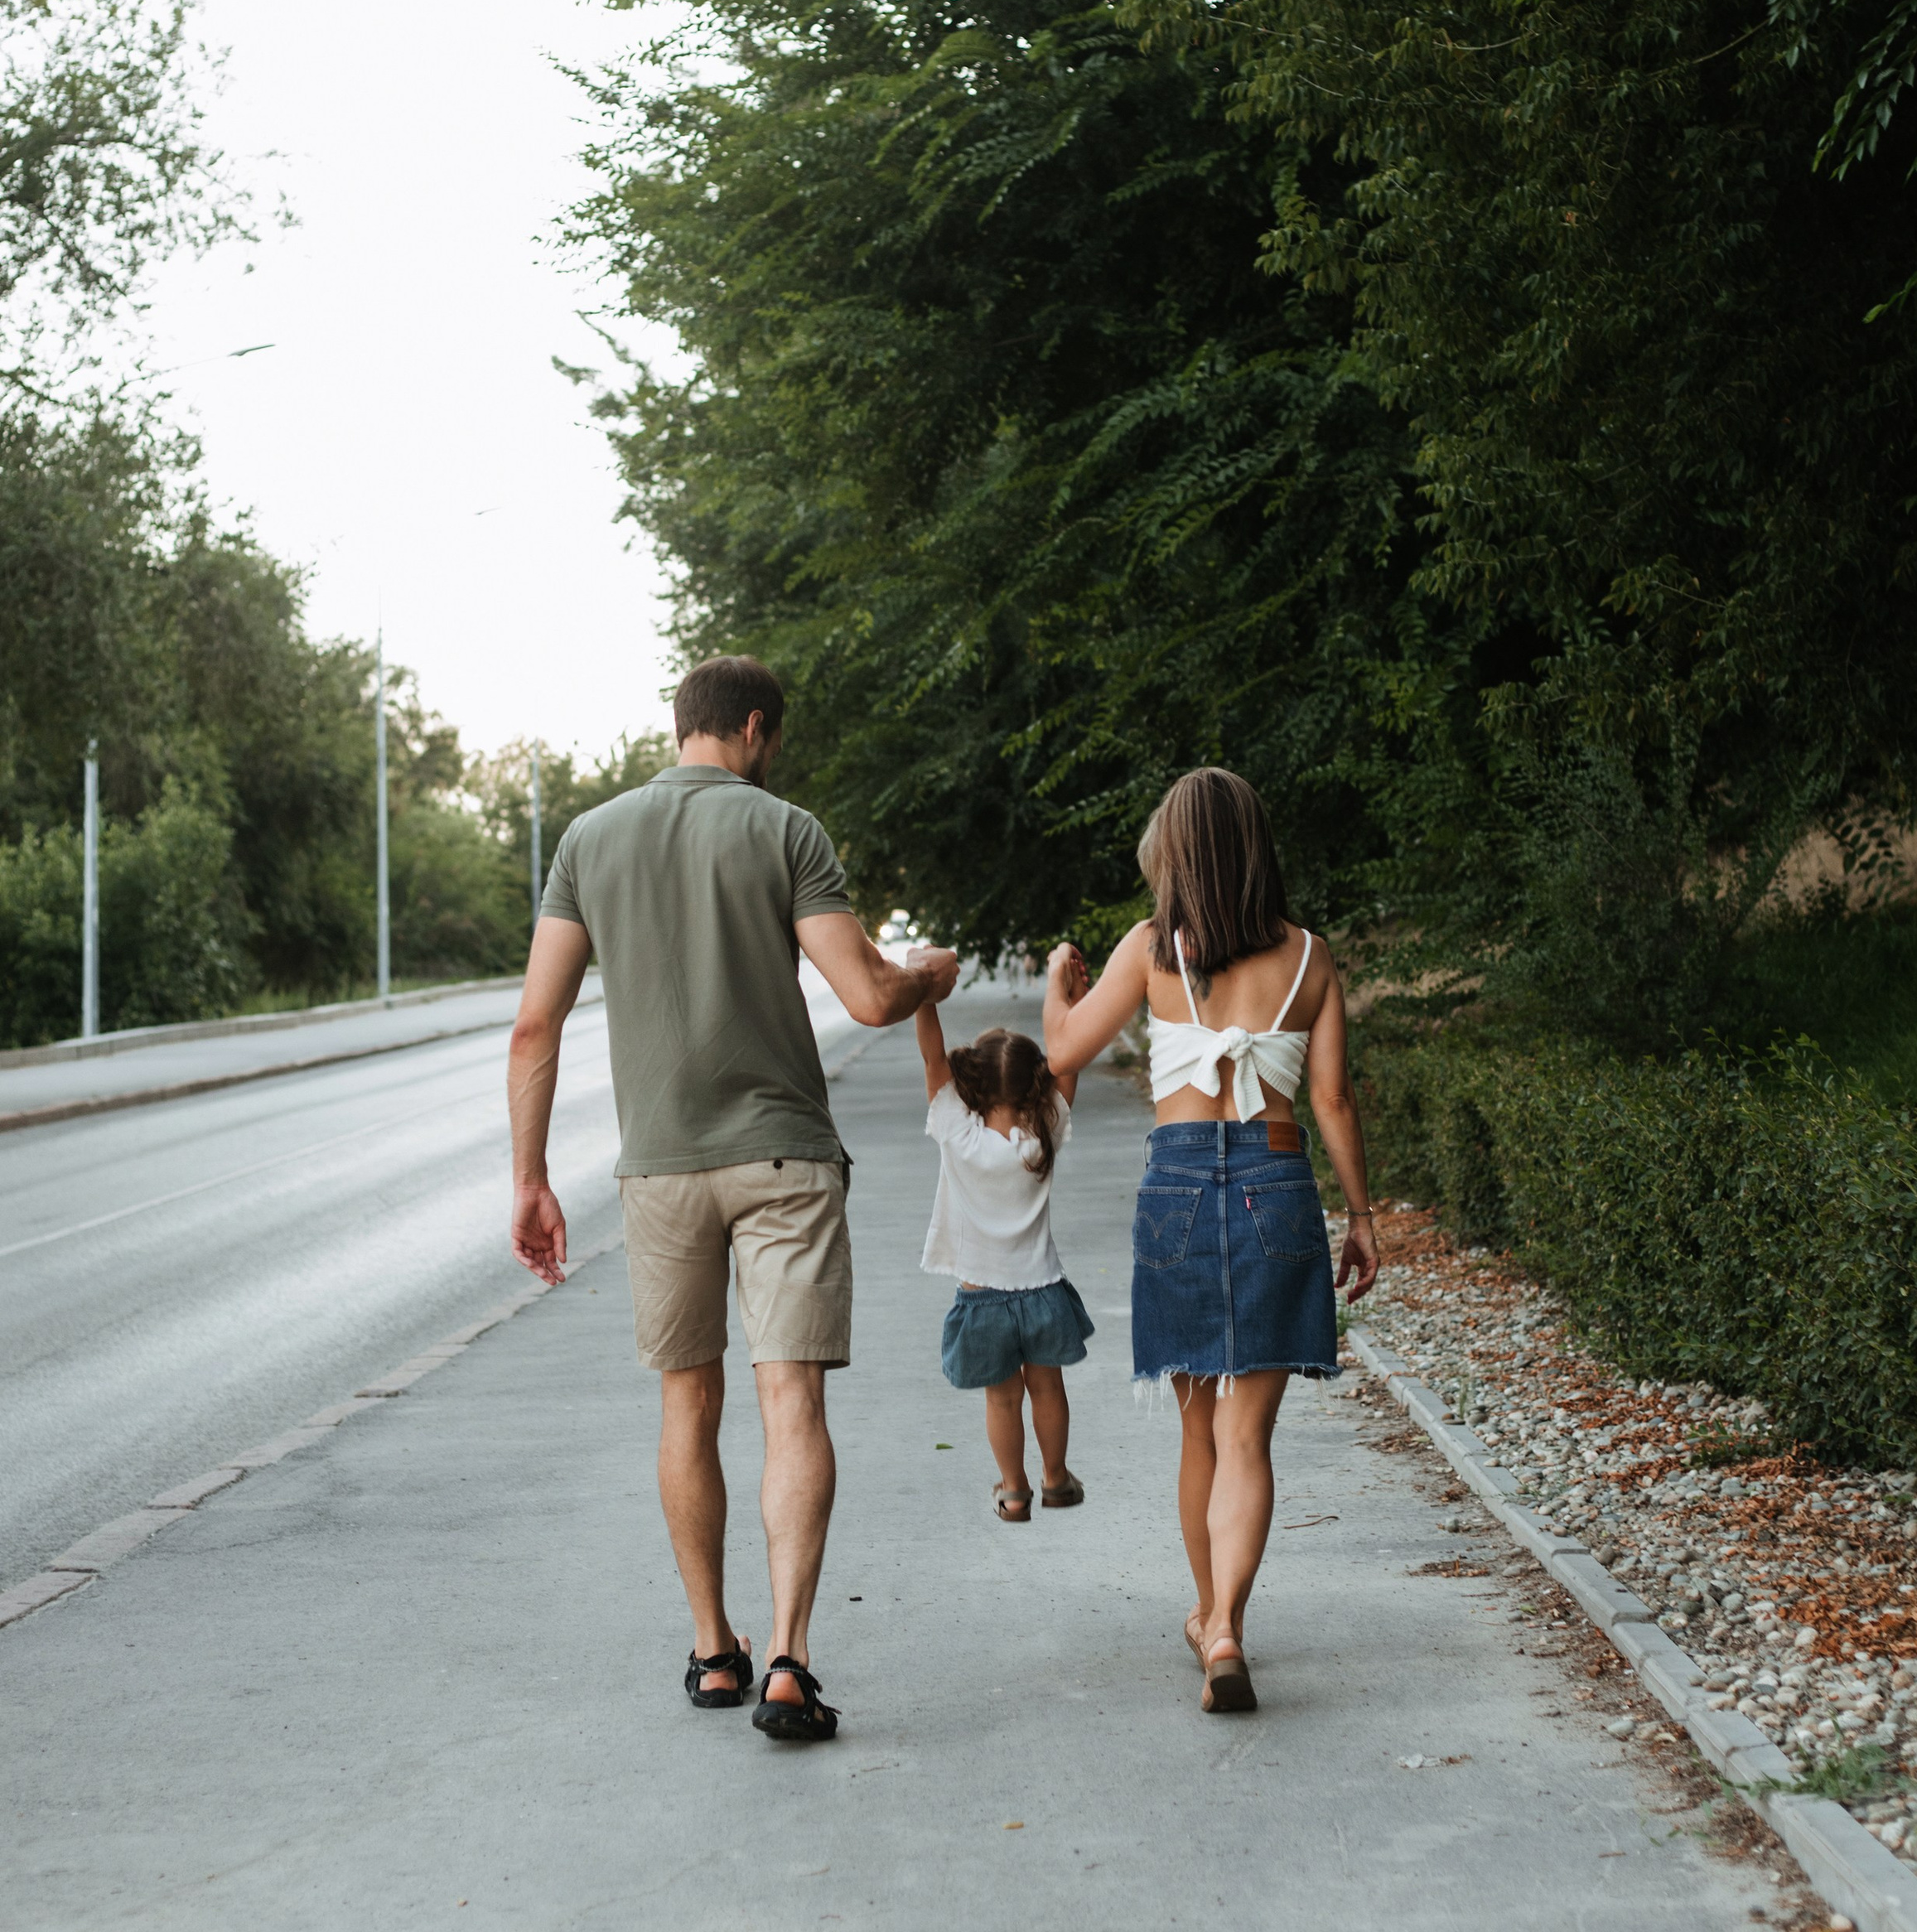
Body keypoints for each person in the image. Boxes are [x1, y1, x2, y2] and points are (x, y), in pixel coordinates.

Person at [506, 653, 959, 1744]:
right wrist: (929, 977)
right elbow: (865, 993)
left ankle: (715, 1652)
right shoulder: (784, 828)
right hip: (784, 1161)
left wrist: (530, 1178)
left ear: (682, 725)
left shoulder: (587, 841)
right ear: (755, 727)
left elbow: (535, 1024)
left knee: (686, 1410)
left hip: (658, 1167)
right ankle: (790, 1661)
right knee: (790, 1404)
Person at [1041, 767, 1379, 1715]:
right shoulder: (1310, 958)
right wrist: (1359, 1216)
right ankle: (1228, 1618)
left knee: (1198, 1430)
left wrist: (1053, 995)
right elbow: (1331, 1100)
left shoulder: (1150, 948)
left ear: (1176, 853)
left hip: (1179, 1189)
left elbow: (1062, 1053)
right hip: (1275, 1182)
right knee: (1248, 1436)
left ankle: (1208, 1618)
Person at [912, 994, 1091, 1522]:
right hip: (1042, 1290)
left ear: (974, 1086)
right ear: (1035, 1083)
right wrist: (1070, 1000)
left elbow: (932, 1060)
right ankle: (1056, 1478)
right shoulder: (1042, 1137)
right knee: (1048, 1387)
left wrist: (924, 996)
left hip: (981, 1295)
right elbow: (1070, 1057)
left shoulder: (958, 1133)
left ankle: (1014, 1491)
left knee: (1002, 1399)